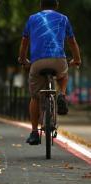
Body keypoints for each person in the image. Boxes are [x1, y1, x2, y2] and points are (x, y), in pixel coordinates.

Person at [18, 0, 81, 145]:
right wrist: (77, 59)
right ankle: (62, 94)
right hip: (58, 60)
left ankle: (34, 132)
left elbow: (24, 43)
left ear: (40, 5)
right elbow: (72, 42)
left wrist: (23, 60)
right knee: (63, 74)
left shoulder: (32, 19)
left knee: (35, 97)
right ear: (57, 5)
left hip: (37, 62)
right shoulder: (63, 18)